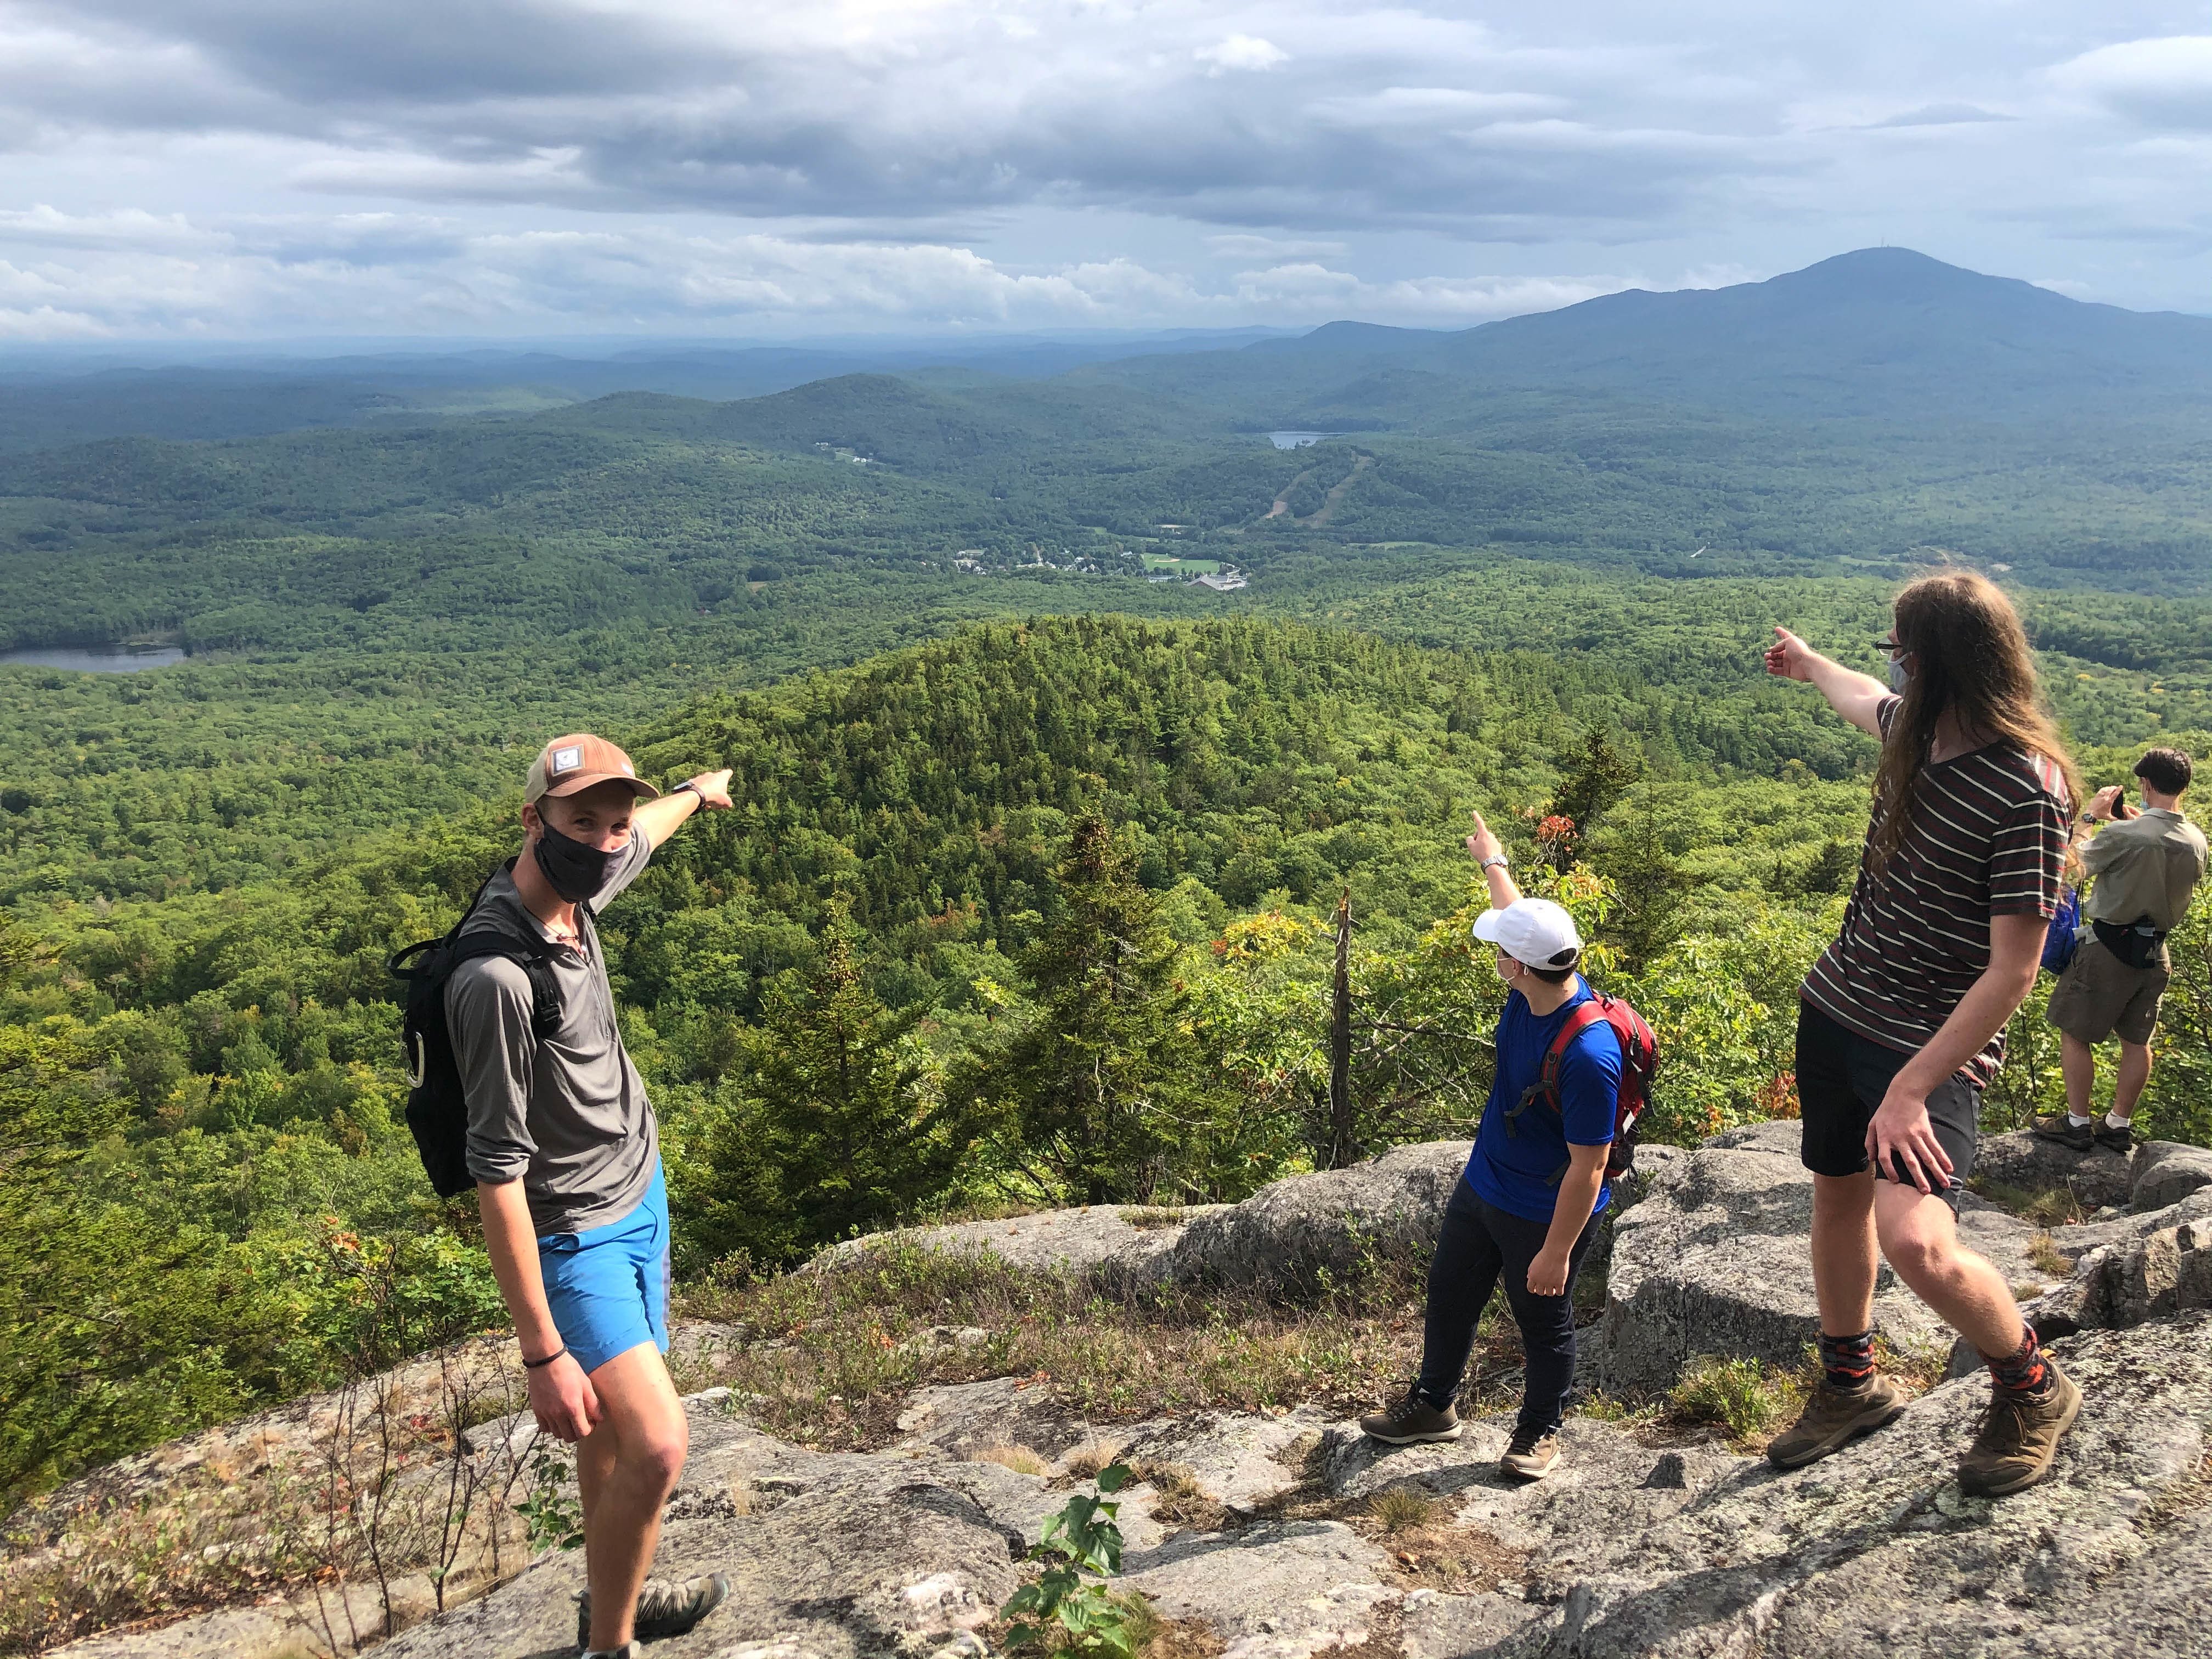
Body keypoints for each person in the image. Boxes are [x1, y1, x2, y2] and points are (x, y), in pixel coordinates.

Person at [1762, 572, 2083, 1498]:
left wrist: (1910, 1086)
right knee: (1835, 1197)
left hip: (1926, 1044)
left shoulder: (2029, 788)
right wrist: (1810, 663)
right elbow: (1862, 699)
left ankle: (2032, 1384)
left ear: (1939, 659)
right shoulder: (1919, 727)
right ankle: (1850, 1383)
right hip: (1836, 1006)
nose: (1890, 660)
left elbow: (2013, 968)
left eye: (1900, 645)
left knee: (1918, 1243)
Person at [452, 733, 735, 1659]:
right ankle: (608, 1646)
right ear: (533, 820)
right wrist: (541, 1353)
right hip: (575, 1235)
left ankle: (609, 1595)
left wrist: (694, 792)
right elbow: (494, 1172)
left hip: (638, 1192)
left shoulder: (579, 886)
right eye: (582, 820)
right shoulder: (494, 974)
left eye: (610, 822)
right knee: (657, 1443)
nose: (605, 839)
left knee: (617, 1432)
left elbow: (642, 834)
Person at [1358, 810, 1621, 1482]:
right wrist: (1491, 860)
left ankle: (1540, 1432)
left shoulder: (1589, 1052)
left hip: (1543, 1208)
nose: (1495, 957)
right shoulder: (1536, 984)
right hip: (1486, 1183)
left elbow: (1590, 1167)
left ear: (1519, 969)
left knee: (1543, 1320)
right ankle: (1432, 1408)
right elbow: (1517, 915)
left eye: (1501, 953)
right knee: (1450, 1296)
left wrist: (1557, 1251)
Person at [2035, 748, 2206, 1154]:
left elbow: (2069, 864)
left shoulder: (2123, 836)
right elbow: (2157, 851)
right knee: (2137, 1039)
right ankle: (2117, 1124)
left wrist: (2090, 819)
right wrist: (2132, 824)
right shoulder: (2197, 840)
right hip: (2156, 954)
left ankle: (2076, 1123)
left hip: (2109, 948)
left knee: (2075, 1032)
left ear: (2145, 785)